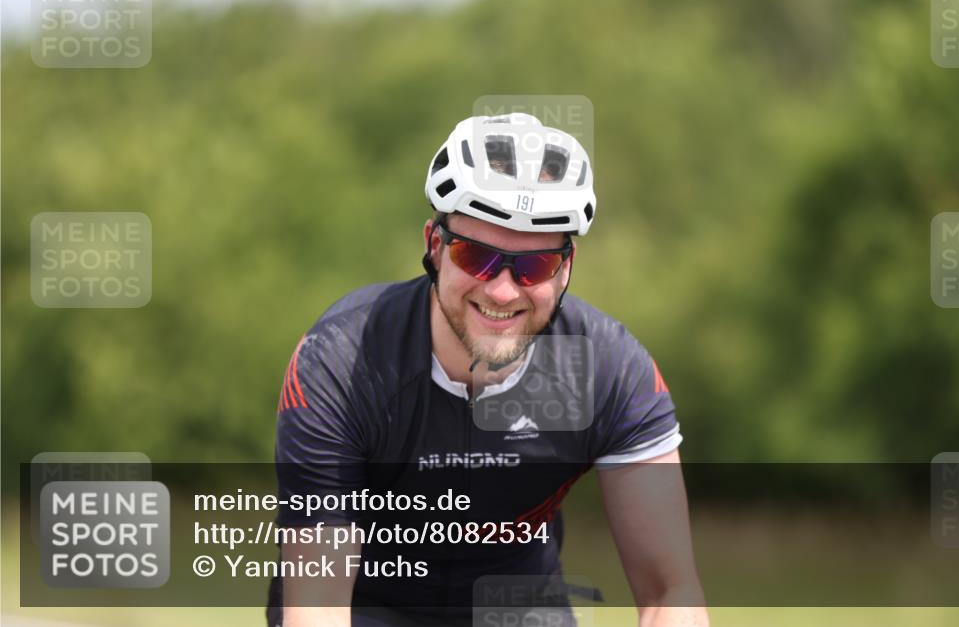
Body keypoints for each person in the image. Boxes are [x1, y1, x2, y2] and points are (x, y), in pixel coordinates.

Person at [269, 114, 709, 627]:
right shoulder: (341, 362)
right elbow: (317, 611)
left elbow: (669, 595)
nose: (501, 290)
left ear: (566, 268)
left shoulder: (610, 371)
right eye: (476, 255)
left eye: (534, 266)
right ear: (435, 247)